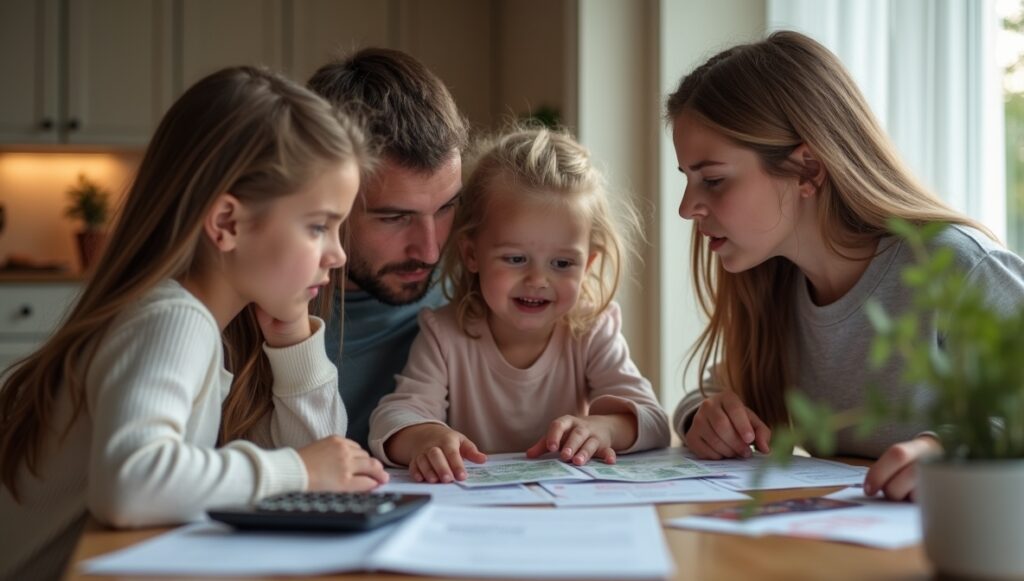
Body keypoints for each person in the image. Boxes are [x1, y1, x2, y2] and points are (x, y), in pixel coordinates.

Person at [0, 66, 389, 581]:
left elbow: (323, 465)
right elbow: (132, 484)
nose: (338, 255)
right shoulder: (173, 319)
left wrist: (293, 342)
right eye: (319, 226)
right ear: (227, 223)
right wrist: (299, 470)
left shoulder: (216, 323)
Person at [666, 31, 1024, 501]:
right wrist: (705, 417)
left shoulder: (955, 267)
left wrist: (951, 451)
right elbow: (715, 390)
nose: (686, 208)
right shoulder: (773, 282)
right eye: (688, 179)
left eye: (712, 179)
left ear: (808, 170)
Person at [368, 126, 671, 483]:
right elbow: (392, 418)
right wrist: (424, 437)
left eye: (562, 263)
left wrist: (605, 428)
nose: (538, 280)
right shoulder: (444, 333)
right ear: (471, 254)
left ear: (588, 264)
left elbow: (653, 421)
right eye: (515, 259)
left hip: (568, 502)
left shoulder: (592, 328)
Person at [307, 49, 468, 448]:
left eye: (446, 207)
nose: (430, 252)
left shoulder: (481, 292)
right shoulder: (253, 314)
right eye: (395, 217)